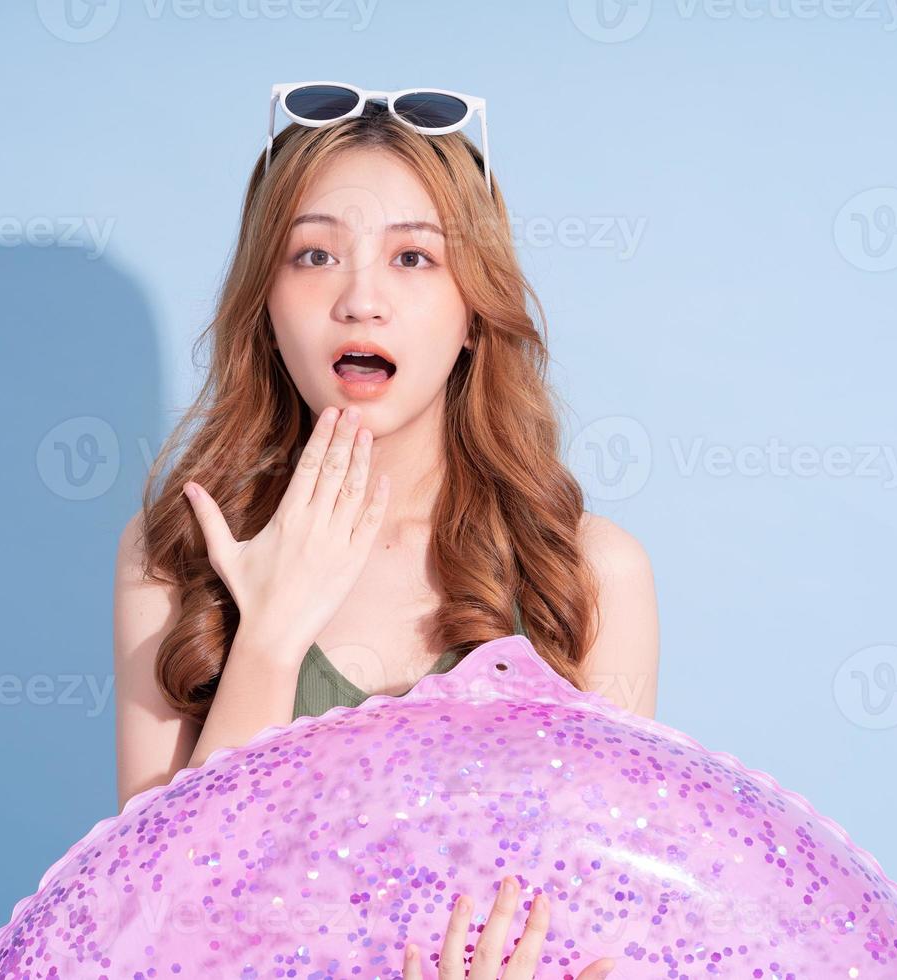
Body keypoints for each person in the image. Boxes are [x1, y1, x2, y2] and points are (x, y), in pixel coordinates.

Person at [113, 82, 659, 977]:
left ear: (476, 312)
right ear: (265, 303)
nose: (360, 301)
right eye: (314, 254)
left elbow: (607, 923)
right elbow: (149, 920)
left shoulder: (590, 572)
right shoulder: (175, 556)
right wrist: (271, 637)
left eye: (413, 259)